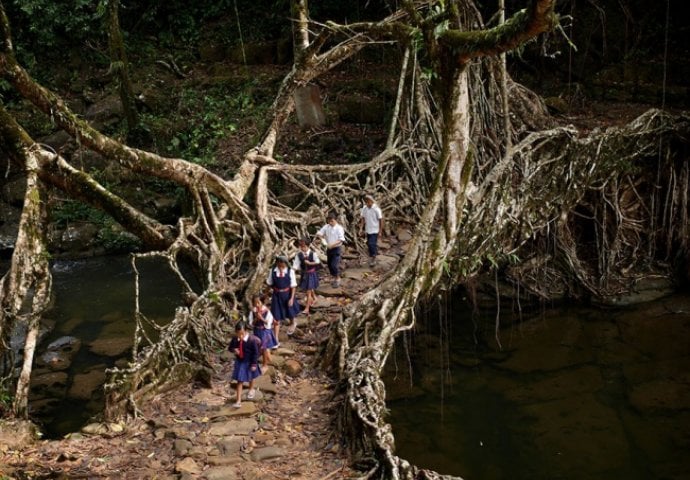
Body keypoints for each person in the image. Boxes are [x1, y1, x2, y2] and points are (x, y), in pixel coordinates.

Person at [228, 321, 262, 408]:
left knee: (251, 376)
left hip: (250, 361)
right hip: (240, 361)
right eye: (239, 334)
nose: (241, 336)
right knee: (240, 380)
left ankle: (251, 389)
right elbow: (230, 348)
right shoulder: (235, 339)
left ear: (246, 331)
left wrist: (254, 364)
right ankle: (238, 401)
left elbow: (255, 352)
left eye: (242, 334)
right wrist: (234, 350)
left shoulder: (252, 340)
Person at [266, 254, 300, 338]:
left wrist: (291, 298)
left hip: (287, 294)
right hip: (276, 294)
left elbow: (293, 286)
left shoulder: (289, 271)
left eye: (283, 264)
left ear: (286, 263)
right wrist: (266, 295)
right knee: (276, 314)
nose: (281, 266)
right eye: (279, 263)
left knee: (290, 310)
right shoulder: (273, 271)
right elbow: (269, 284)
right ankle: (276, 337)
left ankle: (293, 323)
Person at [316, 212, 345, 288]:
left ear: (335, 220)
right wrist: (320, 236)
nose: (330, 222)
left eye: (332, 221)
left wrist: (332, 245)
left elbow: (341, 239)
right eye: (329, 221)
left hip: (336, 248)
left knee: (334, 265)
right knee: (329, 264)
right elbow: (320, 233)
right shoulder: (326, 227)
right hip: (329, 248)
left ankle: (338, 278)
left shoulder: (339, 228)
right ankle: (335, 277)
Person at [292, 237, 320, 316]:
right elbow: (296, 265)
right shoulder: (299, 255)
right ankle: (314, 298)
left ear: (308, 246)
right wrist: (292, 272)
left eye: (304, 247)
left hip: (311, 274)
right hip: (304, 274)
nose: (303, 248)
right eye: (301, 247)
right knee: (309, 288)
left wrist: (310, 263)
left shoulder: (313, 253)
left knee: (308, 291)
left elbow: (318, 261)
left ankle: (307, 308)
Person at [248, 294, 278, 366]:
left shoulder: (266, 311)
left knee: (264, 347)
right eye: (255, 303)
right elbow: (251, 323)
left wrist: (261, 318)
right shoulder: (252, 312)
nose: (257, 305)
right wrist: (256, 319)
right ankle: (267, 359)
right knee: (259, 346)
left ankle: (265, 364)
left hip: (265, 331)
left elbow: (268, 323)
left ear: (262, 302)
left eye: (258, 302)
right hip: (257, 331)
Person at [360, 194, 384, 267]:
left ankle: (373, 258)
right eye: (366, 202)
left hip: (375, 230)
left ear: (372, 201)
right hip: (368, 229)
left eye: (368, 202)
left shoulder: (376, 209)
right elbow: (363, 218)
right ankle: (373, 256)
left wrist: (380, 231)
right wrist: (361, 228)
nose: (367, 203)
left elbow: (381, 220)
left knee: (371, 244)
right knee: (369, 244)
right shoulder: (365, 208)